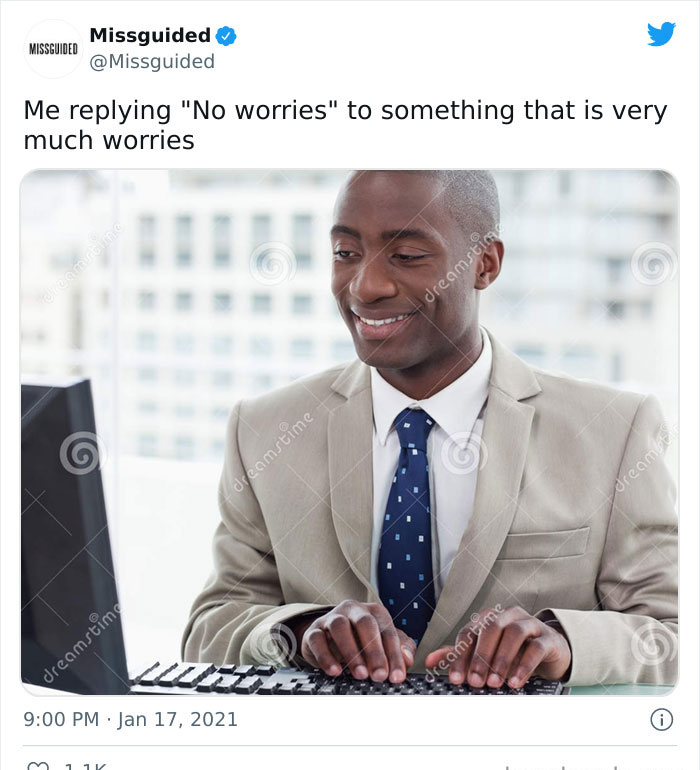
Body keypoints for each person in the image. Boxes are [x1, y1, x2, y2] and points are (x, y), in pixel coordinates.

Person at [182, 170, 677, 688]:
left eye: (408, 256)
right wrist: (299, 630)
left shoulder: (614, 430)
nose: (365, 287)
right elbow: (210, 625)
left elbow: (673, 632)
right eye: (346, 253)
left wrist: (565, 642)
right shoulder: (264, 430)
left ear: (485, 264)